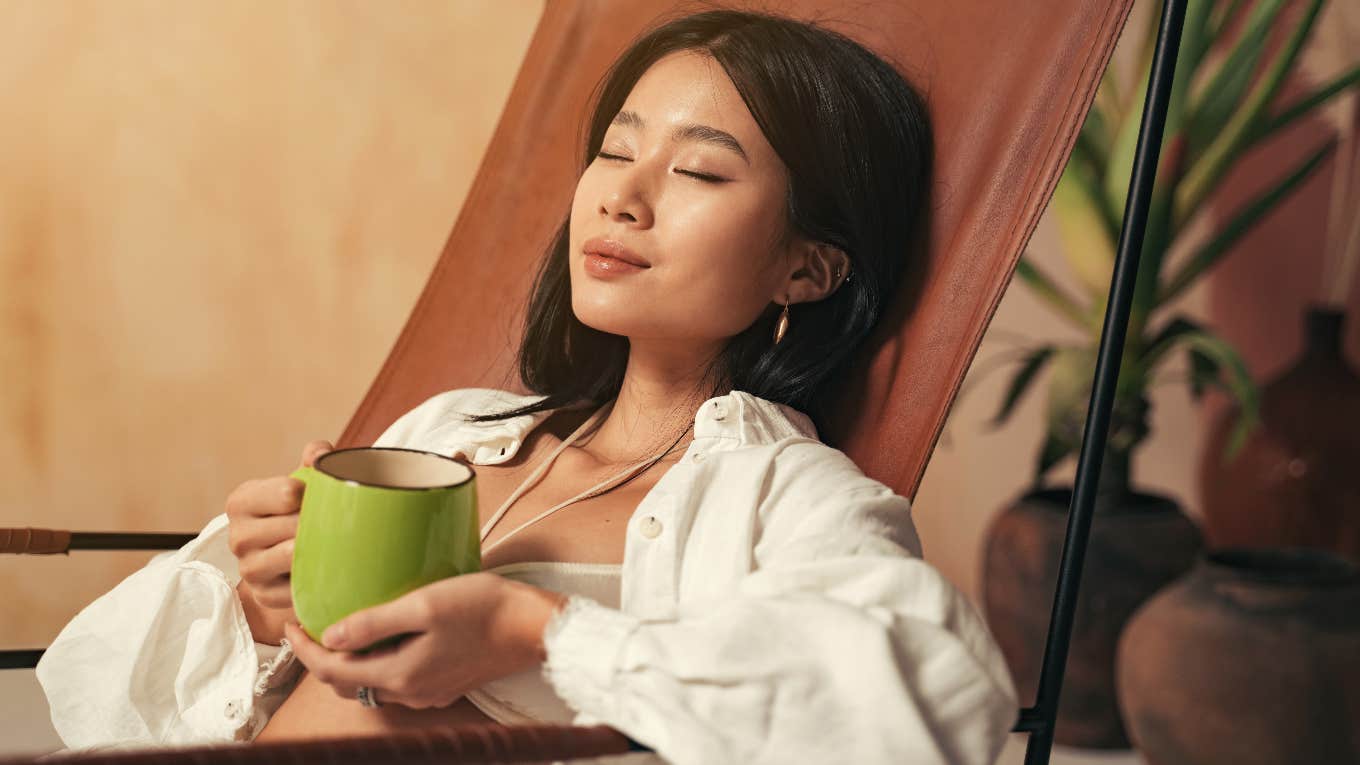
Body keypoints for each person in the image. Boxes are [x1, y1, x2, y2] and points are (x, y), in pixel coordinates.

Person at [38, 9, 1019, 764]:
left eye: (701, 174)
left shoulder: (778, 494)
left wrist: (533, 635)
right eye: (616, 149)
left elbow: (939, 704)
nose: (622, 197)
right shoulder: (456, 430)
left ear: (805, 269)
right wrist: (259, 606)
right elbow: (91, 679)